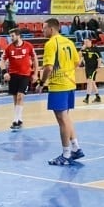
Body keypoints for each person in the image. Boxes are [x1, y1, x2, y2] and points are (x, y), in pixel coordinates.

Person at [39, 18, 83, 165]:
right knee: (66, 117)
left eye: (44, 28)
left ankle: (66, 154)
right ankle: (76, 147)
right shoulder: (69, 42)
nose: (42, 31)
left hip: (59, 85)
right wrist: (68, 72)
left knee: (62, 120)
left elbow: (49, 67)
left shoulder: (51, 44)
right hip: (70, 83)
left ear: (51, 29)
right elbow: (77, 62)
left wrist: (41, 82)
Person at [0, 28, 36, 130]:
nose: (11, 38)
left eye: (13, 36)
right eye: (10, 36)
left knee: (20, 96)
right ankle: (19, 119)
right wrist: (4, 72)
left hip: (25, 75)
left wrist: (35, 73)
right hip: (13, 75)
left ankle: (15, 121)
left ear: (18, 35)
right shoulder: (8, 48)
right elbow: (2, 61)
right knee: (16, 98)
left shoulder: (28, 46)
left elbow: (35, 59)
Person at [80, 38, 102, 104]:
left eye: (86, 42)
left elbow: (99, 59)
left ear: (90, 42)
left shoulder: (95, 49)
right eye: (84, 42)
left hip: (93, 68)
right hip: (87, 68)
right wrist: (81, 49)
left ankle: (87, 98)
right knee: (92, 82)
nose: (85, 43)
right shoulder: (84, 49)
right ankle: (98, 97)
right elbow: (81, 56)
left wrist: (98, 67)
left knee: (89, 82)